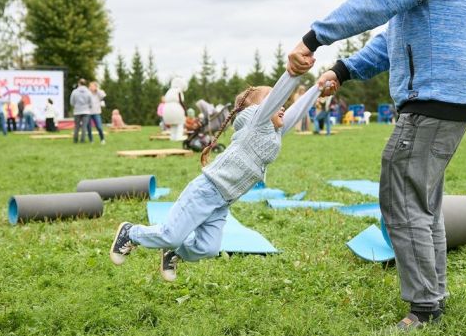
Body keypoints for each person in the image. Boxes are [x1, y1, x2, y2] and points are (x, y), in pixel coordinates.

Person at [286, 0, 466, 329]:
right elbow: (390, 38)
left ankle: (424, 310)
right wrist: (343, 69)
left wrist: (313, 37)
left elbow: (374, 1)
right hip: (451, 100)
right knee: (424, 204)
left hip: (431, 101)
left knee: (400, 197)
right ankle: (433, 298)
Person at [109, 72, 324, 282]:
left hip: (222, 202)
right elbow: (279, 95)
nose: (283, 105)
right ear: (259, 110)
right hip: (206, 190)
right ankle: (131, 232)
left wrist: (318, 88)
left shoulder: (272, 133)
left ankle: (173, 254)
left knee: (208, 248)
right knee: (171, 235)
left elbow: (296, 111)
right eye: (275, 102)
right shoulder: (256, 124)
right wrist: (294, 72)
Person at [69, 78, 92, 143]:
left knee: (77, 126)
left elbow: (71, 102)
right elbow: (91, 102)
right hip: (86, 111)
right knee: (84, 127)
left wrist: (75, 106)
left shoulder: (74, 91)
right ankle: (82, 140)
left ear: (79, 83)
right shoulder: (88, 92)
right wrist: (88, 107)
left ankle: (75, 140)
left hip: (77, 111)